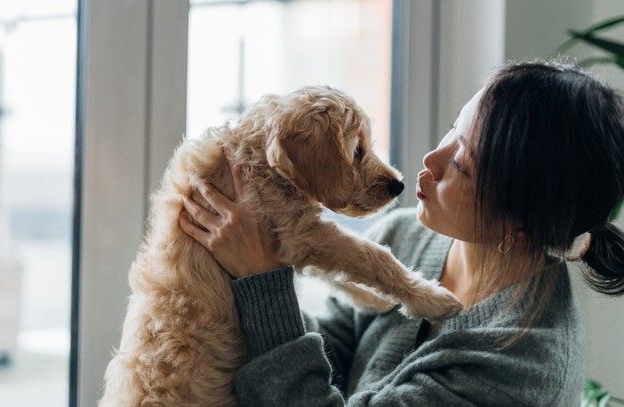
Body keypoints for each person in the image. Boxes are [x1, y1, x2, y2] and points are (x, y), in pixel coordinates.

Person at [177, 59, 624, 405]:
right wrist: (244, 263)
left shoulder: (516, 369)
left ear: (520, 223)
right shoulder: (403, 236)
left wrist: (263, 280)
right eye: (454, 127)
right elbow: (334, 349)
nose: (431, 160)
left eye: (463, 165)